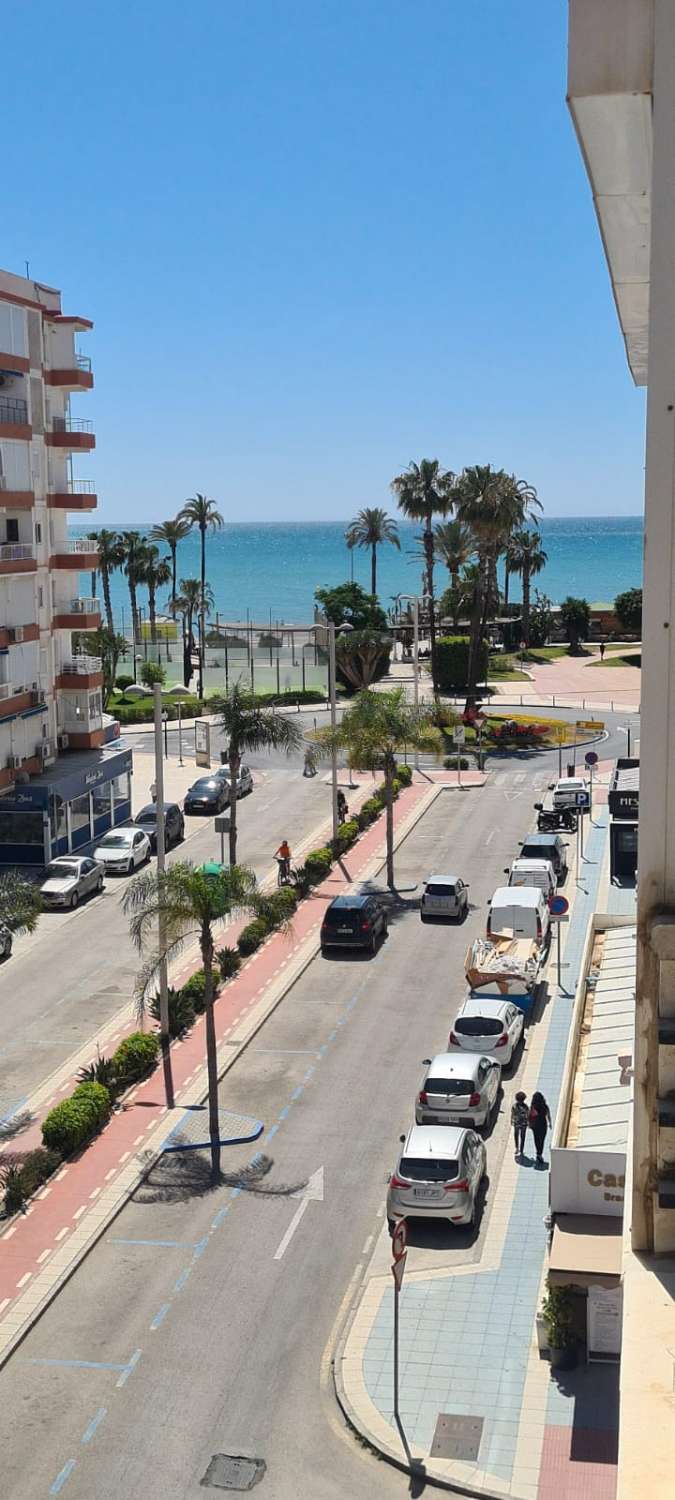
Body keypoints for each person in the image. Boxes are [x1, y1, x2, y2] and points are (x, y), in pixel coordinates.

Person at [529, 1091, 552, 1164]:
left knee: (536, 1139)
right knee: (542, 1140)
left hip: (535, 1125)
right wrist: (550, 1123)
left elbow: (530, 1115)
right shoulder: (545, 1106)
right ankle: (539, 1154)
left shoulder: (533, 1107)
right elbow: (548, 1115)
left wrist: (529, 1123)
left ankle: (538, 1153)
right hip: (543, 1124)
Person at [511, 1091, 529, 1159]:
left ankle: (518, 1148)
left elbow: (512, 1114)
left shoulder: (514, 1106)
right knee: (522, 1136)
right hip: (523, 1123)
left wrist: (512, 1121)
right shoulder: (526, 1107)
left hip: (517, 1123)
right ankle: (520, 1149)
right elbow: (528, 1115)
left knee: (517, 1135)